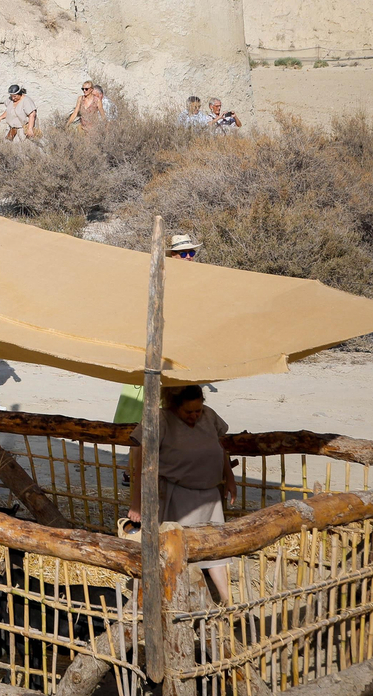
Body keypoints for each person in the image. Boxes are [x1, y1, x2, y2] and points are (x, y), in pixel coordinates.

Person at [127, 385, 235, 602]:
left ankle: (227, 600)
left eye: (199, 410)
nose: (195, 416)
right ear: (175, 406)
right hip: (177, 495)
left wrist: (229, 478)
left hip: (210, 496)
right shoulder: (159, 420)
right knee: (176, 552)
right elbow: (140, 460)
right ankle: (179, 599)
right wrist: (136, 503)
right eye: (189, 412)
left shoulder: (210, 416)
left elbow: (221, 448)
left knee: (216, 548)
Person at [114, 235, 200, 423]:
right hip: (158, 341)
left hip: (181, 345)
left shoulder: (196, 279)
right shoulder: (162, 275)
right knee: (145, 391)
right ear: (173, 256)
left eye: (191, 252)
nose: (188, 257)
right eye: (183, 253)